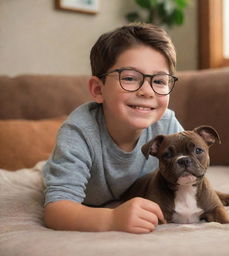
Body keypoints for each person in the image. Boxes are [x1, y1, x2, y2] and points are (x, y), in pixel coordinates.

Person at [43, 23, 183, 234]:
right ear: (98, 90)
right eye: (129, 78)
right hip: (86, 192)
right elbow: (56, 211)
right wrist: (111, 219)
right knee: (49, 172)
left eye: (160, 81)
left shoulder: (167, 124)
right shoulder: (79, 132)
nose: (147, 91)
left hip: (130, 191)